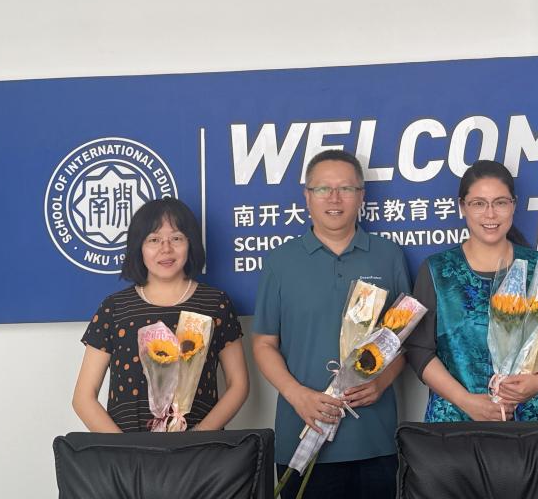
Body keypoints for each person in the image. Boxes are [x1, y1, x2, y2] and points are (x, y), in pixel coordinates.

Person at [252, 149, 411, 499]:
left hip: (373, 438)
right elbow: (263, 343)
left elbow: (404, 340)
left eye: (346, 188)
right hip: (302, 433)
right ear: (307, 196)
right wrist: (297, 395)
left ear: (361, 195)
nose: (334, 198)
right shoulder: (281, 261)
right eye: (323, 188)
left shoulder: (388, 256)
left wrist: (381, 382)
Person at [405, 159, 538, 422]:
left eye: (500, 203)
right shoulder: (438, 270)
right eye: (478, 204)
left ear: (514, 205)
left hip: (534, 422)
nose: (490, 214)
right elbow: (419, 349)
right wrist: (465, 401)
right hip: (457, 422)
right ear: (462, 207)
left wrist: (537, 384)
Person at [73, 197, 249, 432]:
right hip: (126, 449)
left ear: (191, 243)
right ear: (139, 247)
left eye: (176, 238)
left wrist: (199, 436)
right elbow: (83, 397)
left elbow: (238, 384)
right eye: (154, 240)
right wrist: (124, 447)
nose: (166, 249)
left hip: (200, 448)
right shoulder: (115, 308)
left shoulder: (215, 303)